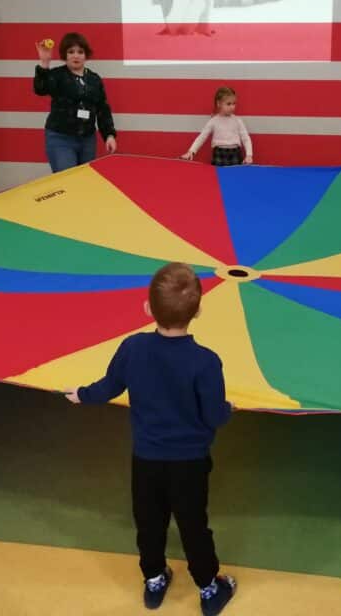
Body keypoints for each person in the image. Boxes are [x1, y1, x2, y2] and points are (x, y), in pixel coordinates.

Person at [65, 263, 236, 615]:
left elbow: (109, 386)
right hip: (189, 463)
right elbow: (213, 417)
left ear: (147, 308)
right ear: (198, 311)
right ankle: (209, 589)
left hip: (146, 459)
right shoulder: (206, 362)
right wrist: (227, 409)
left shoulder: (133, 348)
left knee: (149, 521)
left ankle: (154, 578)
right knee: (193, 525)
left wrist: (82, 394)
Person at [33, 32, 117, 172]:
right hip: (61, 138)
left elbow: (102, 108)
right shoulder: (57, 75)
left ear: (86, 55)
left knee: (84, 180)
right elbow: (40, 89)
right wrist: (44, 62)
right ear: (65, 55)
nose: (76, 56)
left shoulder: (94, 79)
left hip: (87, 140)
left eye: (80, 52)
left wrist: (109, 135)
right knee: (66, 179)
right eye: (71, 52)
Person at [182, 86, 253, 166]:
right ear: (219, 103)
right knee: (217, 173)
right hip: (219, 154)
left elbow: (246, 138)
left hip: (235, 153)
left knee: (235, 173)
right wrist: (191, 151)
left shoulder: (238, 121)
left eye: (234, 103)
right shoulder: (213, 121)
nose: (232, 107)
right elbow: (202, 137)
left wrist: (249, 155)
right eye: (228, 104)